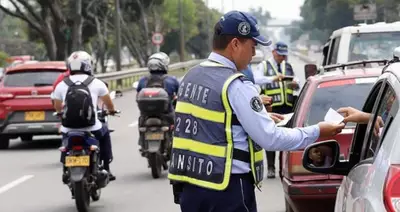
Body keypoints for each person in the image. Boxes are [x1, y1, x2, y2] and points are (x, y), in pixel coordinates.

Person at [168, 10, 345, 212]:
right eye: (252, 47)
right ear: (235, 44)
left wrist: (248, 118)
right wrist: (317, 131)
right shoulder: (236, 85)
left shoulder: (191, 76)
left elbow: (208, 120)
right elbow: (270, 138)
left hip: (191, 188)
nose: (254, 54)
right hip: (227, 190)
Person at [52, 51, 117, 184]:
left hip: (68, 128)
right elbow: (109, 104)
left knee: (65, 144)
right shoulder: (97, 83)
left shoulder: (62, 84)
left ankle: (66, 167)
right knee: (105, 134)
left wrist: (60, 113)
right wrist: (111, 111)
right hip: (92, 127)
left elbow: (57, 106)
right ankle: (106, 168)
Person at [253, 41, 301, 179]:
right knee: (271, 137)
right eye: (280, 55)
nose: (282, 58)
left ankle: (283, 167)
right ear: (273, 52)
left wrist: (294, 85)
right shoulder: (264, 66)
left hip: (288, 107)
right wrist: (273, 78)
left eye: (284, 55)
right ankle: (271, 168)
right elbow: (256, 79)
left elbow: (297, 84)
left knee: (287, 137)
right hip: (272, 107)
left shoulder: (288, 66)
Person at [136, 52, 179, 152]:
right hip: (166, 114)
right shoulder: (172, 80)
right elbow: (181, 95)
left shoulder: (143, 80)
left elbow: (137, 96)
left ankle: (142, 143)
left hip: (146, 115)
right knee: (177, 125)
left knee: (141, 123)